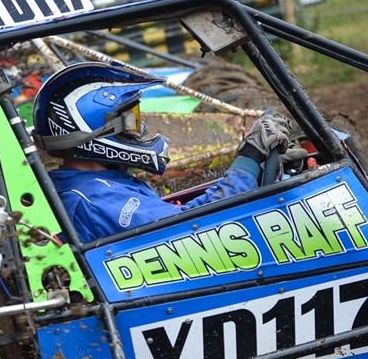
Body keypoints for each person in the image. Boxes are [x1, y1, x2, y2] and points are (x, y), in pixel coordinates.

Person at [31, 62, 294, 242]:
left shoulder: (98, 183)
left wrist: (259, 168)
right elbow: (189, 231)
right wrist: (250, 159)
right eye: (131, 120)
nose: (141, 127)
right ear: (95, 132)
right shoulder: (94, 198)